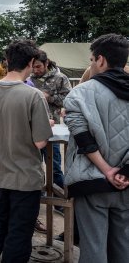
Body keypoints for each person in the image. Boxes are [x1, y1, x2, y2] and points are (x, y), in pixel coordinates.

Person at [0, 40, 53, 263]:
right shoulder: (33, 95)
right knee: (20, 231)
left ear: (7, 62)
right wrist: (45, 125)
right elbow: (40, 142)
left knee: (0, 223)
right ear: (31, 62)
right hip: (24, 176)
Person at [63, 33, 129, 263]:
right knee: (123, 246)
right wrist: (123, 172)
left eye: (91, 60)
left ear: (100, 60)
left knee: (93, 249)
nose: (91, 65)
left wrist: (107, 170)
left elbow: (83, 138)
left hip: (91, 183)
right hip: (126, 184)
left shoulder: (80, 93)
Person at [30, 50, 71, 216]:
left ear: (46, 63)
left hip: (51, 130)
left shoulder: (60, 78)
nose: (36, 70)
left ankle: (59, 200)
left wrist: (49, 97)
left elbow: (68, 101)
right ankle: (37, 197)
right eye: (33, 67)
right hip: (32, 129)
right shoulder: (29, 79)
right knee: (34, 165)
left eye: (38, 66)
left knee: (54, 165)